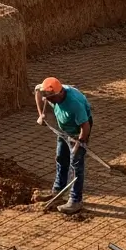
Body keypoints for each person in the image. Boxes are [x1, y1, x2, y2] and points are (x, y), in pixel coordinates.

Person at [34, 76, 92, 214]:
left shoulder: (74, 103)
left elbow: (86, 126)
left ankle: (75, 200)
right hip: (64, 129)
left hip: (79, 130)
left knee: (76, 164)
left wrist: (80, 142)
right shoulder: (50, 91)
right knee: (61, 157)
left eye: (50, 98)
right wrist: (40, 115)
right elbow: (37, 90)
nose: (47, 100)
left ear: (59, 94)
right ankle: (58, 191)